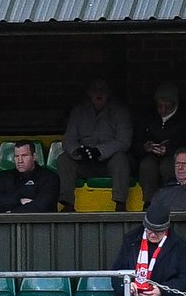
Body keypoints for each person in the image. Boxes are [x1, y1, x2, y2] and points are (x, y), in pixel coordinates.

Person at [57, 78, 134, 212]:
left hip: (109, 161)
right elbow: (68, 140)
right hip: (85, 161)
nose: (99, 93)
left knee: (121, 159)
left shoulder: (120, 112)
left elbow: (124, 141)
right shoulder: (78, 112)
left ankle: (120, 204)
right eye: (95, 90)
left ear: (109, 93)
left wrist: (99, 151)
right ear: (89, 93)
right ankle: (67, 204)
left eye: (102, 90)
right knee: (64, 159)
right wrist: (78, 151)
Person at [135, 82, 186, 205]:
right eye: (160, 106)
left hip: (174, 156)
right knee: (146, 166)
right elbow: (136, 143)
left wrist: (170, 150)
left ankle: (169, 201)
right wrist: (146, 148)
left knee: (169, 167)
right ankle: (149, 203)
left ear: (175, 104)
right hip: (150, 156)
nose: (163, 110)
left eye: (167, 107)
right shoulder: (148, 116)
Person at [0, 142, 59, 214]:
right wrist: (19, 200)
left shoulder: (49, 177)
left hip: (41, 224)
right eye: (16, 156)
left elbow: (42, 206)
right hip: (9, 225)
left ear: (34, 156)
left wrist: (11, 213)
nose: (20, 161)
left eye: (24, 155)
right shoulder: (5, 176)